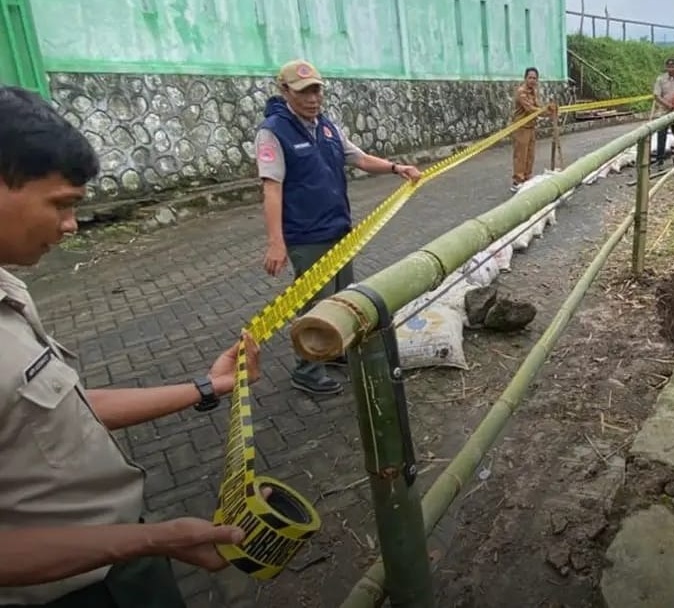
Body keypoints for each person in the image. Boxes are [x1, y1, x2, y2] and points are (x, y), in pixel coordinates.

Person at [0, 84, 266, 607]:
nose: (72, 225)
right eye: (61, 204)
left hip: (120, 562)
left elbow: (59, 411)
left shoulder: (8, 288)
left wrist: (208, 387)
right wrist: (153, 540)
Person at [255, 59, 421, 396]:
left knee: (342, 299)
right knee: (315, 303)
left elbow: (358, 158)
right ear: (285, 90)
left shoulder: (327, 127)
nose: (313, 97)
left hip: (339, 231)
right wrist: (276, 242)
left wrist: (395, 167)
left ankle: (333, 351)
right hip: (307, 235)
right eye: (303, 91)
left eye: (316, 89)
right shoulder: (273, 131)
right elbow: (271, 187)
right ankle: (307, 370)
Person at [510, 67, 557, 192]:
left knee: (530, 155)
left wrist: (549, 111)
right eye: (530, 77)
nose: (532, 80)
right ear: (525, 78)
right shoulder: (522, 92)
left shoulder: (533, 92)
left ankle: (527, 178)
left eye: (534, 78)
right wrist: (545, 110)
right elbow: (530, 109)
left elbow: (538, 107)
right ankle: (517, 181)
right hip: (521, 128)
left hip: (531, 127)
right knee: (521, 155)